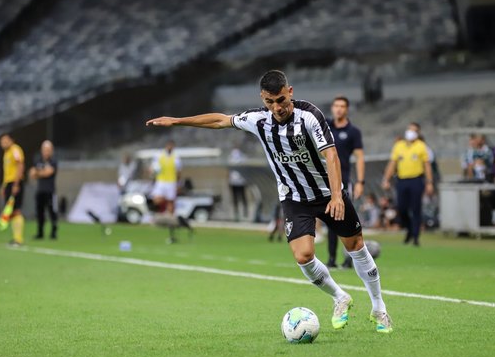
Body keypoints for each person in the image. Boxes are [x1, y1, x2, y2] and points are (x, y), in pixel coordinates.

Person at [146, 70, 392, 333]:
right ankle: (340, 297)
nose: (277, 107)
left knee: (356, 246)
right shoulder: (258, 120)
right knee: (304, 256)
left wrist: (336, 195)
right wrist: (177, 121)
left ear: (290, 92)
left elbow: (331, 155)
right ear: (262, 98)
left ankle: (379, 308)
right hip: (294, 197)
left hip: (326, 192)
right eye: (269, 102)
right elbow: (220, 120)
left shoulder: (310, 116)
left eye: (281, 100)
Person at [326, 96, 364, 269]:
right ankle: (332, 259)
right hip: (324, 180)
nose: (339, 109)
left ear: (347, 109)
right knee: (331, 221)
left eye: (342, 106)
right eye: (336, 106)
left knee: (345, 220)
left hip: (344, 181)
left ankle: (350, 258)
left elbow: (360, 157)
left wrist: (360, 182)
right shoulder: (324, 126)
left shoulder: (353, 132)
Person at [381, 122, 434, 246]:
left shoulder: (421, 146)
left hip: (416, 180)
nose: (410, 132)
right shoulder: (399, 146)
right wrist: (386, 179)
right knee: (401, 208)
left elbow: (427, 165)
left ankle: (415, 236)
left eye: (414, 130)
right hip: (402, 180)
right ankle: (409, 229)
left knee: (416, 208)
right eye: (409, 129)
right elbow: (392, 163)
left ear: (418, 133)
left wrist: (429, 182)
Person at [0, 134, 25, 246]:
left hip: (15, 182)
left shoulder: (15, 149)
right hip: (9, 183)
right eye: (1, 141)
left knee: (16, 210)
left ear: (11, 140)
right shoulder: (6, 153)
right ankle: (16, 238)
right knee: (12, 212)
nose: (3, 143)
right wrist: (4, 186)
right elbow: (7, 172)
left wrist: (16, 184)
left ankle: (18, 240)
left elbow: (20, 165)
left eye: (5, 141)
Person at [28, 140, 58, 239]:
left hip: (50, 191)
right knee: (40, 212)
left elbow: (48, 172)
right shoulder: (38, 160)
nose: (46, 152)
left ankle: (53, 232)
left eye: (48, 150)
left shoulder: (53, 161)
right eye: (44, 149)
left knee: (52, 212)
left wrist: (38, 172)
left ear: (51, 150)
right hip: (40, 190)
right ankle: (40, 232)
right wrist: (41, 172)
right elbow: (31, 174)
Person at [150, 140, 181, 215]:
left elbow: (178, 172)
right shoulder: (159, 155)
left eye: (171, 146)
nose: (170, 147)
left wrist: (178, 183)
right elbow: (153, 168)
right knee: (156, 199)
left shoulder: (176, 158)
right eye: (169, 145)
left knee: (171, 201)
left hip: (171, 182)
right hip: (161, 181)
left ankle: (170, 218)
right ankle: (157, 214)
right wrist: (153, 174)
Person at [228, 147, 248, 221]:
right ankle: (237, 213)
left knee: (242, 197)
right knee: (236, 199)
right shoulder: (231, 157)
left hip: (241, 182)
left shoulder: (242, 157)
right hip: (234, 182)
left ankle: (245, 212)